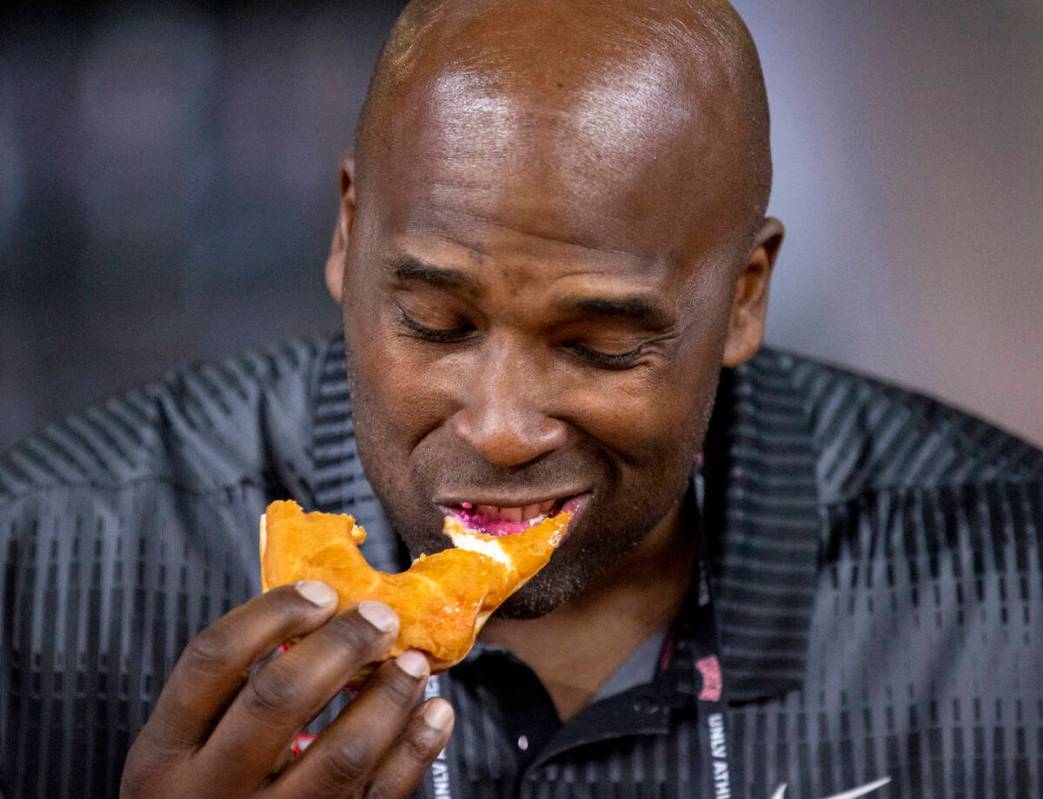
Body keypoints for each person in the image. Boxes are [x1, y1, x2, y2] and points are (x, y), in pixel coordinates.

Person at [1, 0, 1040, 797]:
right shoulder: (42, 570)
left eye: (598, 347)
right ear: (346, 233)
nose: (498, 429)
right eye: (435, 325)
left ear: (741, 296)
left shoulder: (1005, 591)